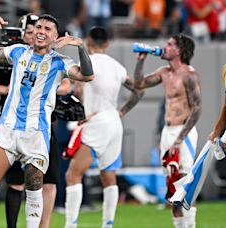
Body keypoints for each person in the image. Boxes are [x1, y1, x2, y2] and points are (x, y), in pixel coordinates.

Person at [0, 14, 94, 227]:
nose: (41, 31)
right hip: (8, 128)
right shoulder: (18, 51)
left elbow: (87, 75)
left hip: (37, 133)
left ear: (56, 36)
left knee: (34, 184)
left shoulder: (60, 62)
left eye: (48, 29)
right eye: (39, 27)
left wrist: (80, 46)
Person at [64, 26, 144, 228]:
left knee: (73, 174)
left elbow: (79, 91)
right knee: (108, 176)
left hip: (95, 121)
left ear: (88, 41)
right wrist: (123, 111)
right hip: (114, 122)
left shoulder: (87, 64)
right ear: (108, 43)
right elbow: (138, 90)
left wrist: (81, 113)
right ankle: (108, 224)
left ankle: (71, 224)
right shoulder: (117, 67)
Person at [133, 33, 201, 228]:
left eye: (170, 44)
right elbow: (139, 84)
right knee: (171, 185)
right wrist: (140, 61)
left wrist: (181, 137)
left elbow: (197, 108)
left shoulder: (189, 74)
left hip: (184, 132)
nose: (165, 46)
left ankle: (191, 225)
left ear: (178, 50)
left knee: (185, 184)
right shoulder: (164, 72)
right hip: (167, 131)